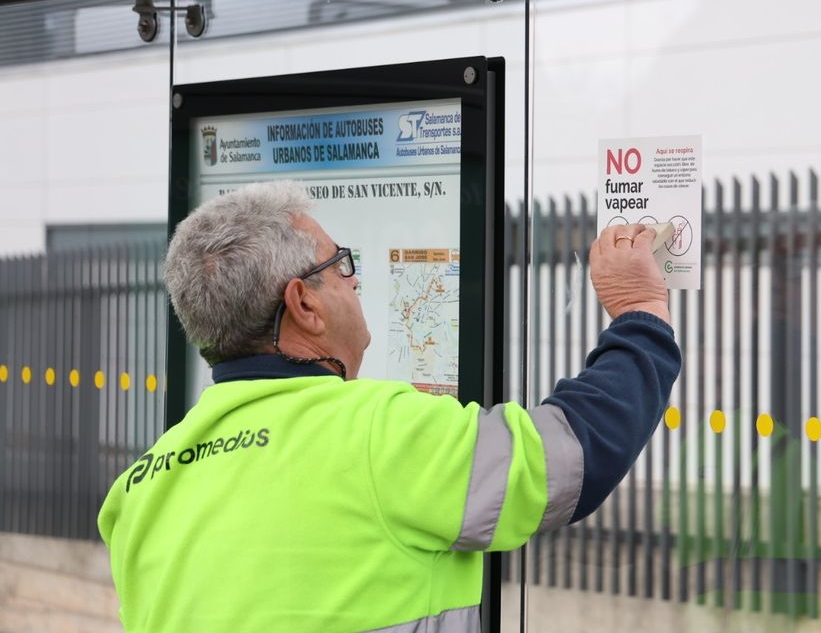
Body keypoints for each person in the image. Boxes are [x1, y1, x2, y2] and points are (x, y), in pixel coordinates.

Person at [97, 181, 680, 633]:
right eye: (340, 266)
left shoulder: (138, 491)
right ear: (303, 303)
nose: (354, 283)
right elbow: (567, 460)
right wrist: (642, 311)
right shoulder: (378, 433)